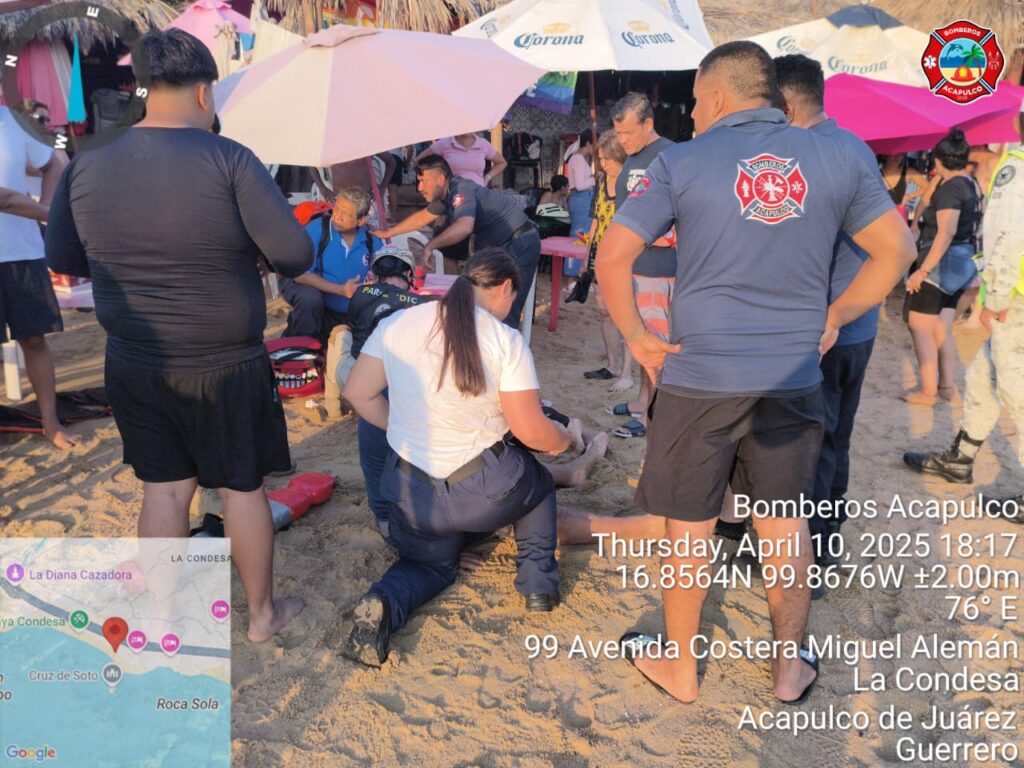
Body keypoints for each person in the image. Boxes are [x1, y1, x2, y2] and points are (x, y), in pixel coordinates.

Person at [596, 41, 914, 703]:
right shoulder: (839, 154)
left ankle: (681, 668)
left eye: (694, 100)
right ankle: (788, 670)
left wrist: (638, 338)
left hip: (700, 378)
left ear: (715, 96)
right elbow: (897, 250)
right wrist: (837, 314)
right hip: (792, 375)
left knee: (689, 528)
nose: (692, 112)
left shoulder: (682, 160)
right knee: (784, 524)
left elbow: (613, 256)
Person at [45, 28, 311, 643]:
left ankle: (162, 615)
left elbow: (64, 256)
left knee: (163, 490)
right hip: (226, 363)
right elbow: (295, 253)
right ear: (203, 92)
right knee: (240, 489)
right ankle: (262, 617)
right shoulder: (229, 158)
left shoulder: (87, 162)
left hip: (136, 361)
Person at [342, 248, 572, 667]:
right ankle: (538, 584)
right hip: (480, 493)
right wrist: (565, 440)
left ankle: (385, 600)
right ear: (505, 288)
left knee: (430, 568)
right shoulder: (504, 340)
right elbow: (531, 431)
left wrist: (403, 430)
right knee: (538, 486)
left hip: (409, 496)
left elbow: (357, 393)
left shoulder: (398, 323)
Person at [776, 54, 889, 591]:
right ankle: (824, 544)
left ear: (786, 106)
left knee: (809, 445)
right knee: (835, 439)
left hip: (823, 328)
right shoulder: (854, 146)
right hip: (859, 327)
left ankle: (810, 554)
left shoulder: (808, 154)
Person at [903, 147, 1024, 518]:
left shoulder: (1017, 166)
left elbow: (1011, 233)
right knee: (983, 380)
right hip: (1014, 297)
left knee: (1016, 393)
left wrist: (997, 296)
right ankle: (960, 458)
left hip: (1016, 300)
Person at [375, 155, 540, 331]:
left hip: (519, 243)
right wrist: (387, 233)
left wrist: (430, 246)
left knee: (504, 310)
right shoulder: (447, 194)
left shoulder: (461, 190)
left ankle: (506, 347)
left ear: (440, 179)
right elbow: (422, 217)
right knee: (486, 307)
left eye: (423, 181)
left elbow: (464, 226)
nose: (419, 188)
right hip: (503, 246)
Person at [0, 105, 75, 449]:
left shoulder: (15, 121)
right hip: (23, 244)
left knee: (34, 340)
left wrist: (47, 205)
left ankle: (50, 422)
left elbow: (53, 163)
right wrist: (51, 214)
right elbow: (5, 200)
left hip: (23, 253)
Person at [606, 92, 676, 438]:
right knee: (641, 341)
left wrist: (654, 238)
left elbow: (684, 215)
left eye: (628, 133)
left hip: (660, 270)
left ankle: (653, 418)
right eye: (618, 133)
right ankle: (642, 402)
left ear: (649, 124)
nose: (622, 140)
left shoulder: (672, 156)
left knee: (655, 347)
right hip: (636, 267)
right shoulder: (633, 158)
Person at [903, 129, 981, 406]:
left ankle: (928, 392)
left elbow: (946, 232)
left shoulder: (950, 189)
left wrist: (922, 270)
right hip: (964, 261)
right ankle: (947, 387)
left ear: (937, 161)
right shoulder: (969, 183)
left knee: (919, 324)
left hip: (945, 261)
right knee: (941, 326)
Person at [280, 187, 381, 342]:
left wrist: (375, 280)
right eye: (337, 209)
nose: (337, 216)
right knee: (310, 299)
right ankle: (302, 347)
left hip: (349, 310)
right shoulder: (317, 229)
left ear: (361, 221)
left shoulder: (372, 242)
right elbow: (300, 274)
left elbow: (382, 275)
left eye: (345, 214)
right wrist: (341, 290)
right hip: (312, 294)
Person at [581, 130, 633, 391]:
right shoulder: (601, 182)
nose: (603, 164)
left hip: (623, 256)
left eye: (607, 159)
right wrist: (586, 257)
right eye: (600, 159)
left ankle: (627, 372)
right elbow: (595, 221)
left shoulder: (631, 183)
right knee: (604, 311)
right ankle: (612, 364)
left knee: (626, 315)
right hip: (599, 255)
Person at [416, 132, 507, 188]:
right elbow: (419, 160)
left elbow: (501, 163)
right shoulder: (445, 143)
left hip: (478, 193)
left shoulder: (483, 144)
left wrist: (487, 178)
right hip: (452, 193)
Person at [564, 132, 595, 274]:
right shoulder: (578, 159)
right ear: (588, 143)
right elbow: (580, 185)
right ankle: (572, 273)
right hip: (581, 198)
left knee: (582, 237)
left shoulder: (579, 159)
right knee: (579, 237)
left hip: (583, 199)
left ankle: (576, 272)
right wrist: (595, 178)